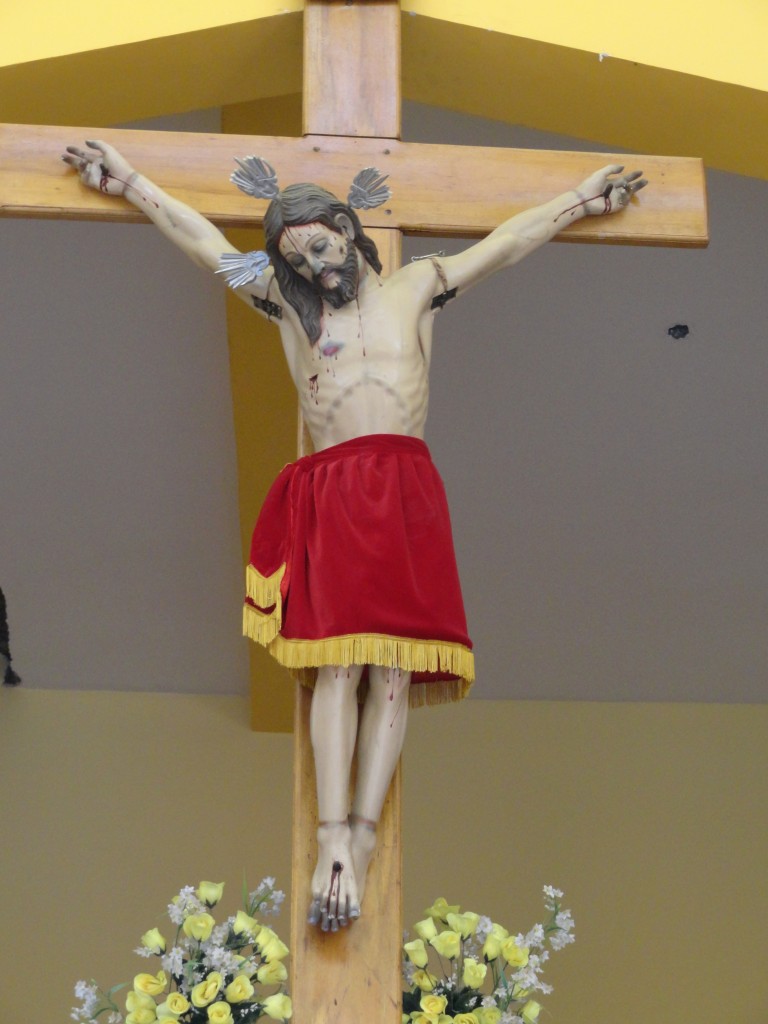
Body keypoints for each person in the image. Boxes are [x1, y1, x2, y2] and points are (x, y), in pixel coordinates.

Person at [62, 140, 646, 931]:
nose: (313, 268)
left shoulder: (416, 286)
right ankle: (332, 833)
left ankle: (363, 836)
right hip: (334, 486)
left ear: (344, 226)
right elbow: (205, 245)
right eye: (297, 259)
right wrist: (128, 182)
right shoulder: (288, 307)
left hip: (404, 487)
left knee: (395, 672)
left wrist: (581, 200)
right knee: (337, 668)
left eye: (320, 247)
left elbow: (505, 243)